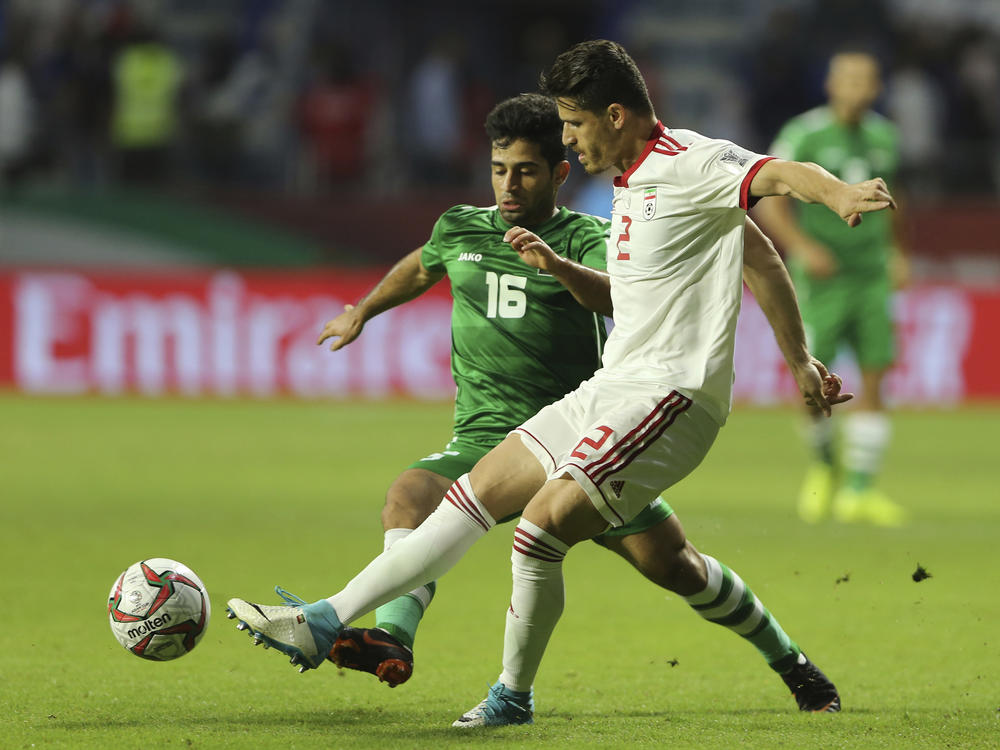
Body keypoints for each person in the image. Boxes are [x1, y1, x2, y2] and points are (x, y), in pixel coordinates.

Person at [227, 39, 894, 726]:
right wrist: (800, 361)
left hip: (671, 396)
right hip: (612, 389)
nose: (568, 142)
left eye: (572, 126)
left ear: (613, 114)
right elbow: (759, 258)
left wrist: (838, 193)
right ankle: (323, 620)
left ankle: (512, 696)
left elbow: (782, 176)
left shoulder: (690, 163)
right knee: (471, 497)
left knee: (539, 529)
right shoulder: (628, 187)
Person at [753, 50, 908, 526]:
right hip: (822, 280)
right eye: (850, 78)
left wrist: (897, 250)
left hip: (870, 276)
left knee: (876, 372)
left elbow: (894, 202)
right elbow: (767, 202)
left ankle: (859, 489)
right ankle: (824, 473)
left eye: (867, 79)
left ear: (877, 87)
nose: (858, 87)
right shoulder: (805, 135)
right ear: (832, 84)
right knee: (814, 381)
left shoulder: (886, 137)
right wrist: (801, 248)